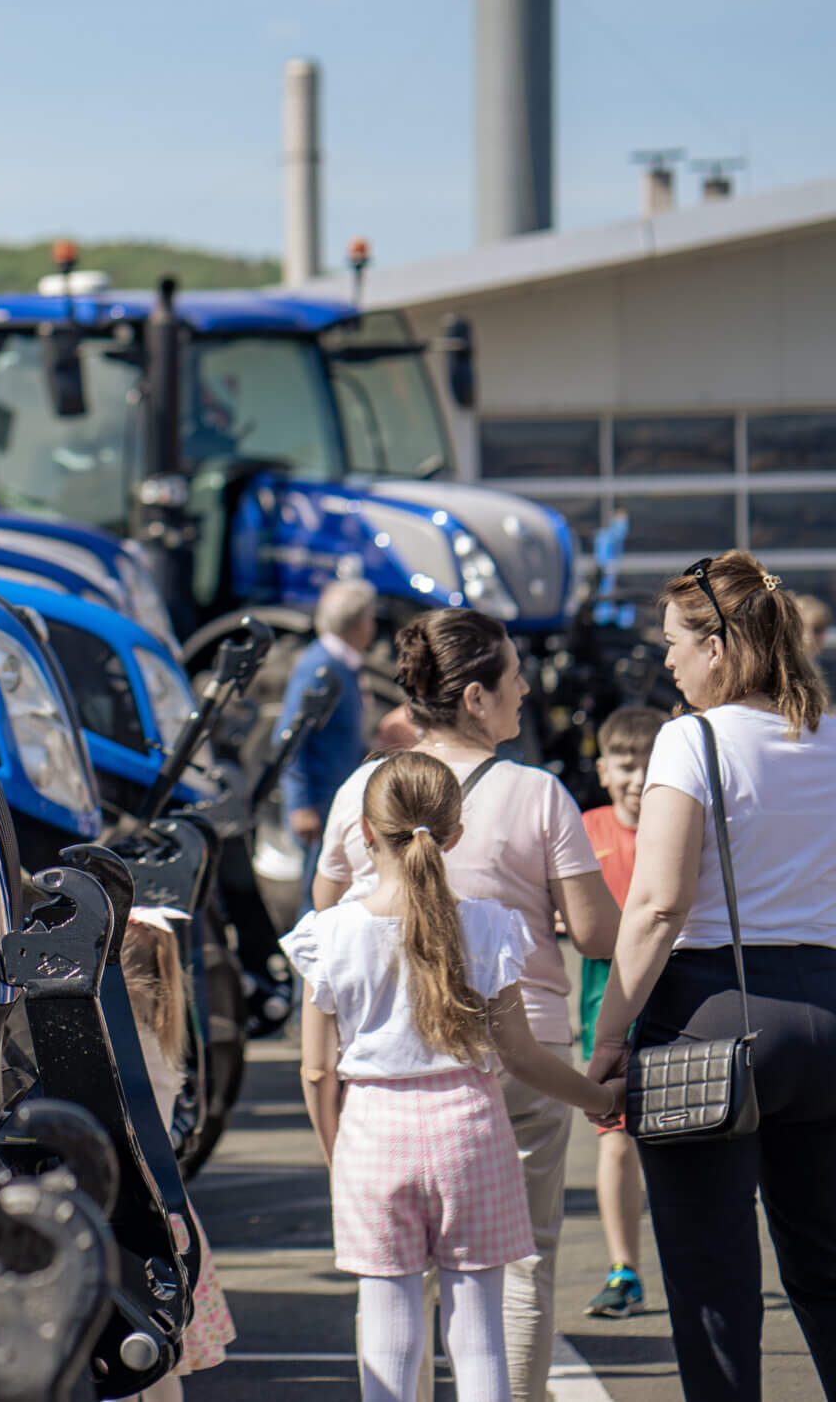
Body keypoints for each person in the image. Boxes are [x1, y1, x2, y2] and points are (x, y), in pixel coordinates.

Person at [313, 607, 618, 1402]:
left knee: (393, 1288)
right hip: (521, 1059)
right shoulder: (538, 795)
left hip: (381, 1091)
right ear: (477, 697)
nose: (525, 690)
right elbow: (595, 932)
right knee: (518, 1272)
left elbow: (324, 904)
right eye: (515, 678)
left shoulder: (363, 787)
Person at [586, 551, 836, 1402]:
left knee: (712, 1283)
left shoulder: (689, 741)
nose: (665, 662)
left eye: (674, 644)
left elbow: (656, 905)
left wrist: (608, 1036)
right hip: (828, 1012)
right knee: (828, 1266)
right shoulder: (830, 733)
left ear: (720, 647)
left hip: (713, 1012)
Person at [120, 910, 234, 1397]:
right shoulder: (161, 1040)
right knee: (163, 1362)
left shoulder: (121, 1047)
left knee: (123, 1355)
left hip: (125, 1212)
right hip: (168, 1211)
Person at [578, 704, 663, 1319]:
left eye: (648, 764)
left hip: (681, 998)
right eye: (624, 765)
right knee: (615, 1138)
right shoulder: (587, 830)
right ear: (603, 770)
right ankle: (623, 1268)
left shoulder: (682, 826)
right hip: (605, 1007)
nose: (636, 778)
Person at [282, 578, 377, 879]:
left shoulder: (343, 664)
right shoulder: (320, 668)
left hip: (335, 801)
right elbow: (289, 738)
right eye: (371, 618)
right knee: (318, 889)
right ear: (358, 623)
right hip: (319, 806)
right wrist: (300, 805)